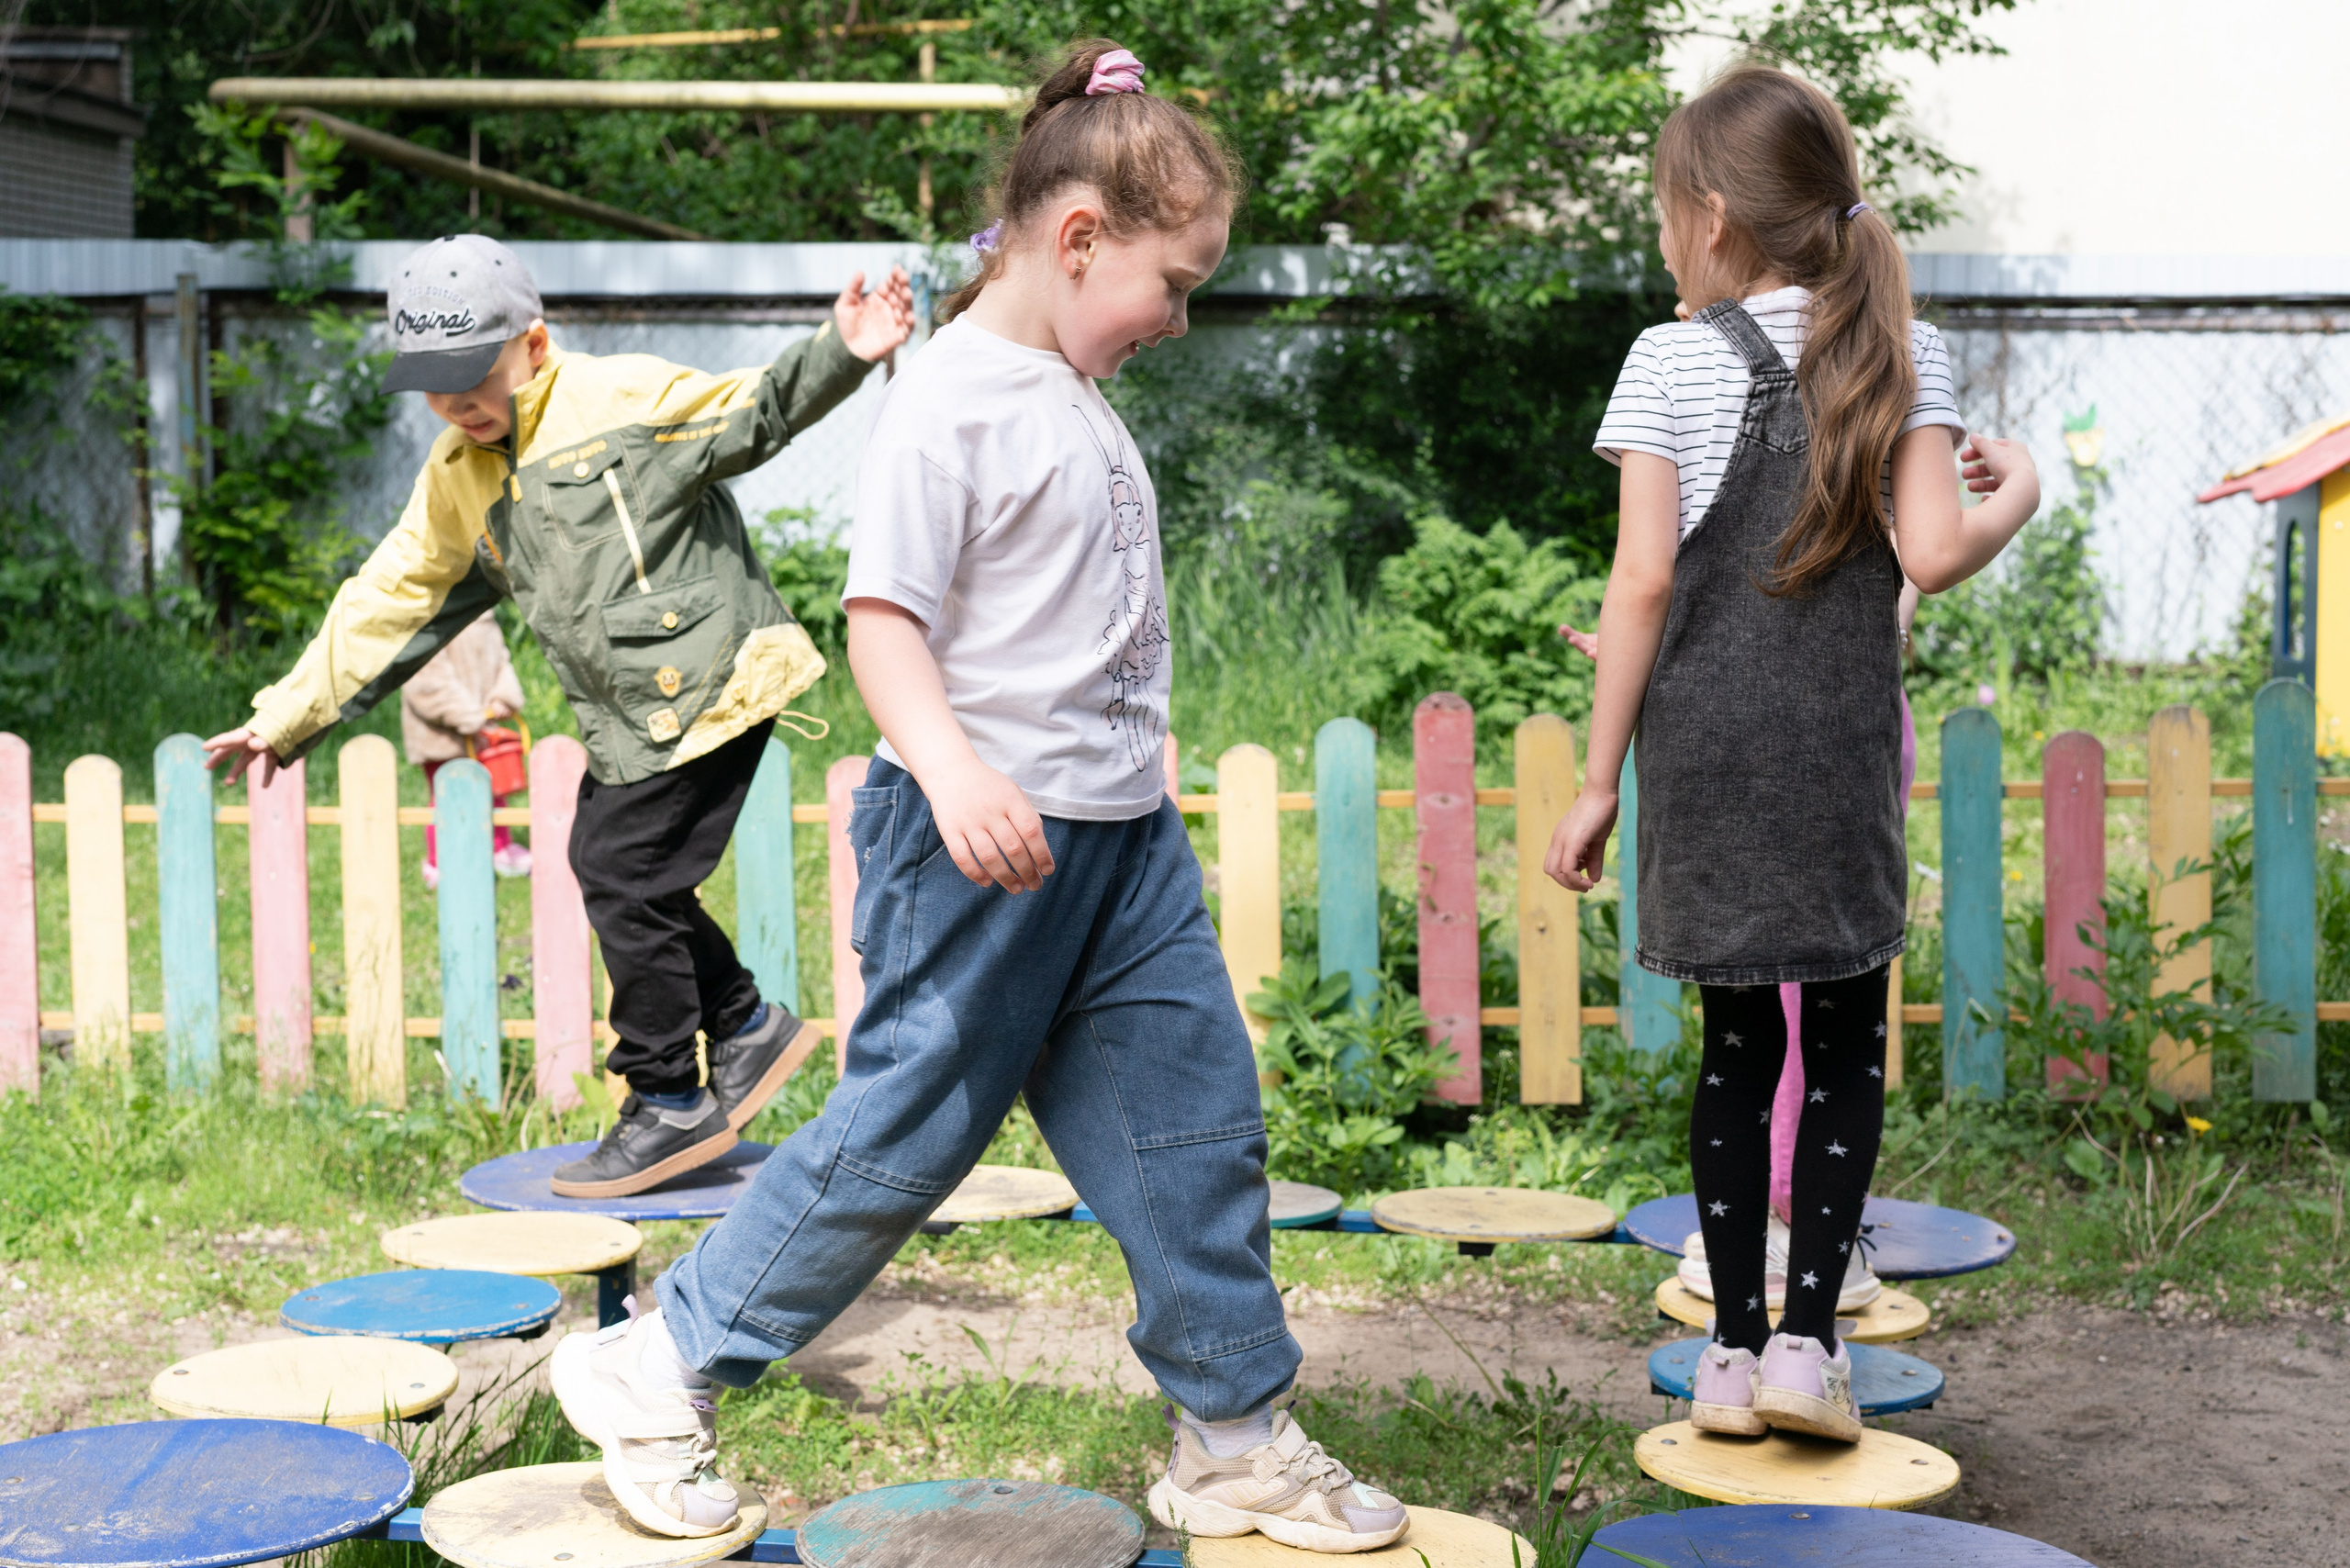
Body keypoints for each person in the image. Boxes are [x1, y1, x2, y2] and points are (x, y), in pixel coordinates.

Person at [546, 42, 1411, 1555]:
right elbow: (886, 619)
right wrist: (948, 768)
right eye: (1174, 280)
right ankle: (656, 1360)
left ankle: (1233, 1432)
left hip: (1120, 847)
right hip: (983, 848)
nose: (1181, 316)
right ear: (1079, 241)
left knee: (1193, 1119)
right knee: (903, 1137)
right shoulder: (951, 394)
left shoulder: (1066, 383)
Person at [202, 234, 916, 1197]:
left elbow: (755, 409)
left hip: (713, 676)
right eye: (434, 383)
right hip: (630, 719)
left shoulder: (615, 400)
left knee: (622, 871)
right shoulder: (459, 476)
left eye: (473, 375)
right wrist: (287, 714)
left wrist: (845, 347)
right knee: (623, 868)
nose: (456, 402)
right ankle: (746, 1028)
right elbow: (390, 596)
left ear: (532, 346)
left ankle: (668, 1099)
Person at [1545, 62, 2040, 1446]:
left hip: (1704, 761)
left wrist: (1597, 785)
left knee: (1733, 1051)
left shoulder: (1668, 361)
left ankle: (1727, 1354)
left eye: (1659, 211)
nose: (1659, 237)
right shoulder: (1902, 351)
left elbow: (1643, 586)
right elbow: (1935, 554)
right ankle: (1810, 1351)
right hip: (1835, 764)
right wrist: (2030, 492)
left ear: (1709, 217)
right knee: (1841, 1054)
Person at [402, 612, 532, 890]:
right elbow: (426, 679)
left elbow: (501, 662)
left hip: (483, 728)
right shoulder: (423, 615)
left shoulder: (483, 616)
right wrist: (469, 715)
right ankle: (440, 861)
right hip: (442, 733)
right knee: (447, 795)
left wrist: (502, 696)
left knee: (494, 788)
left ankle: (499, 847)